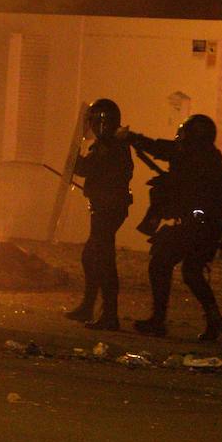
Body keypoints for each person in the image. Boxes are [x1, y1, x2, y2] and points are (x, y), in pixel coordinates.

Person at [124, 114, 222, 341]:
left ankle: (159, 320)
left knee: (161, 264)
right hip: (207, 228)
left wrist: (131, 137)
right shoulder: (211, 160)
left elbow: (159, 148)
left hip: (196, 226)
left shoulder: (190, 157)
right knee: (192, 273)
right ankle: (214, 319)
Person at [64, 99, 134, 331]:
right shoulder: (112, 144)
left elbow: (84, 168)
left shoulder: (109, 146)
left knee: (103, 260)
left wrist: (74, 155)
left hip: (108, 209)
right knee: (90, 256)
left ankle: (109, 315)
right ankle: (89, 306)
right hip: (105, 207)